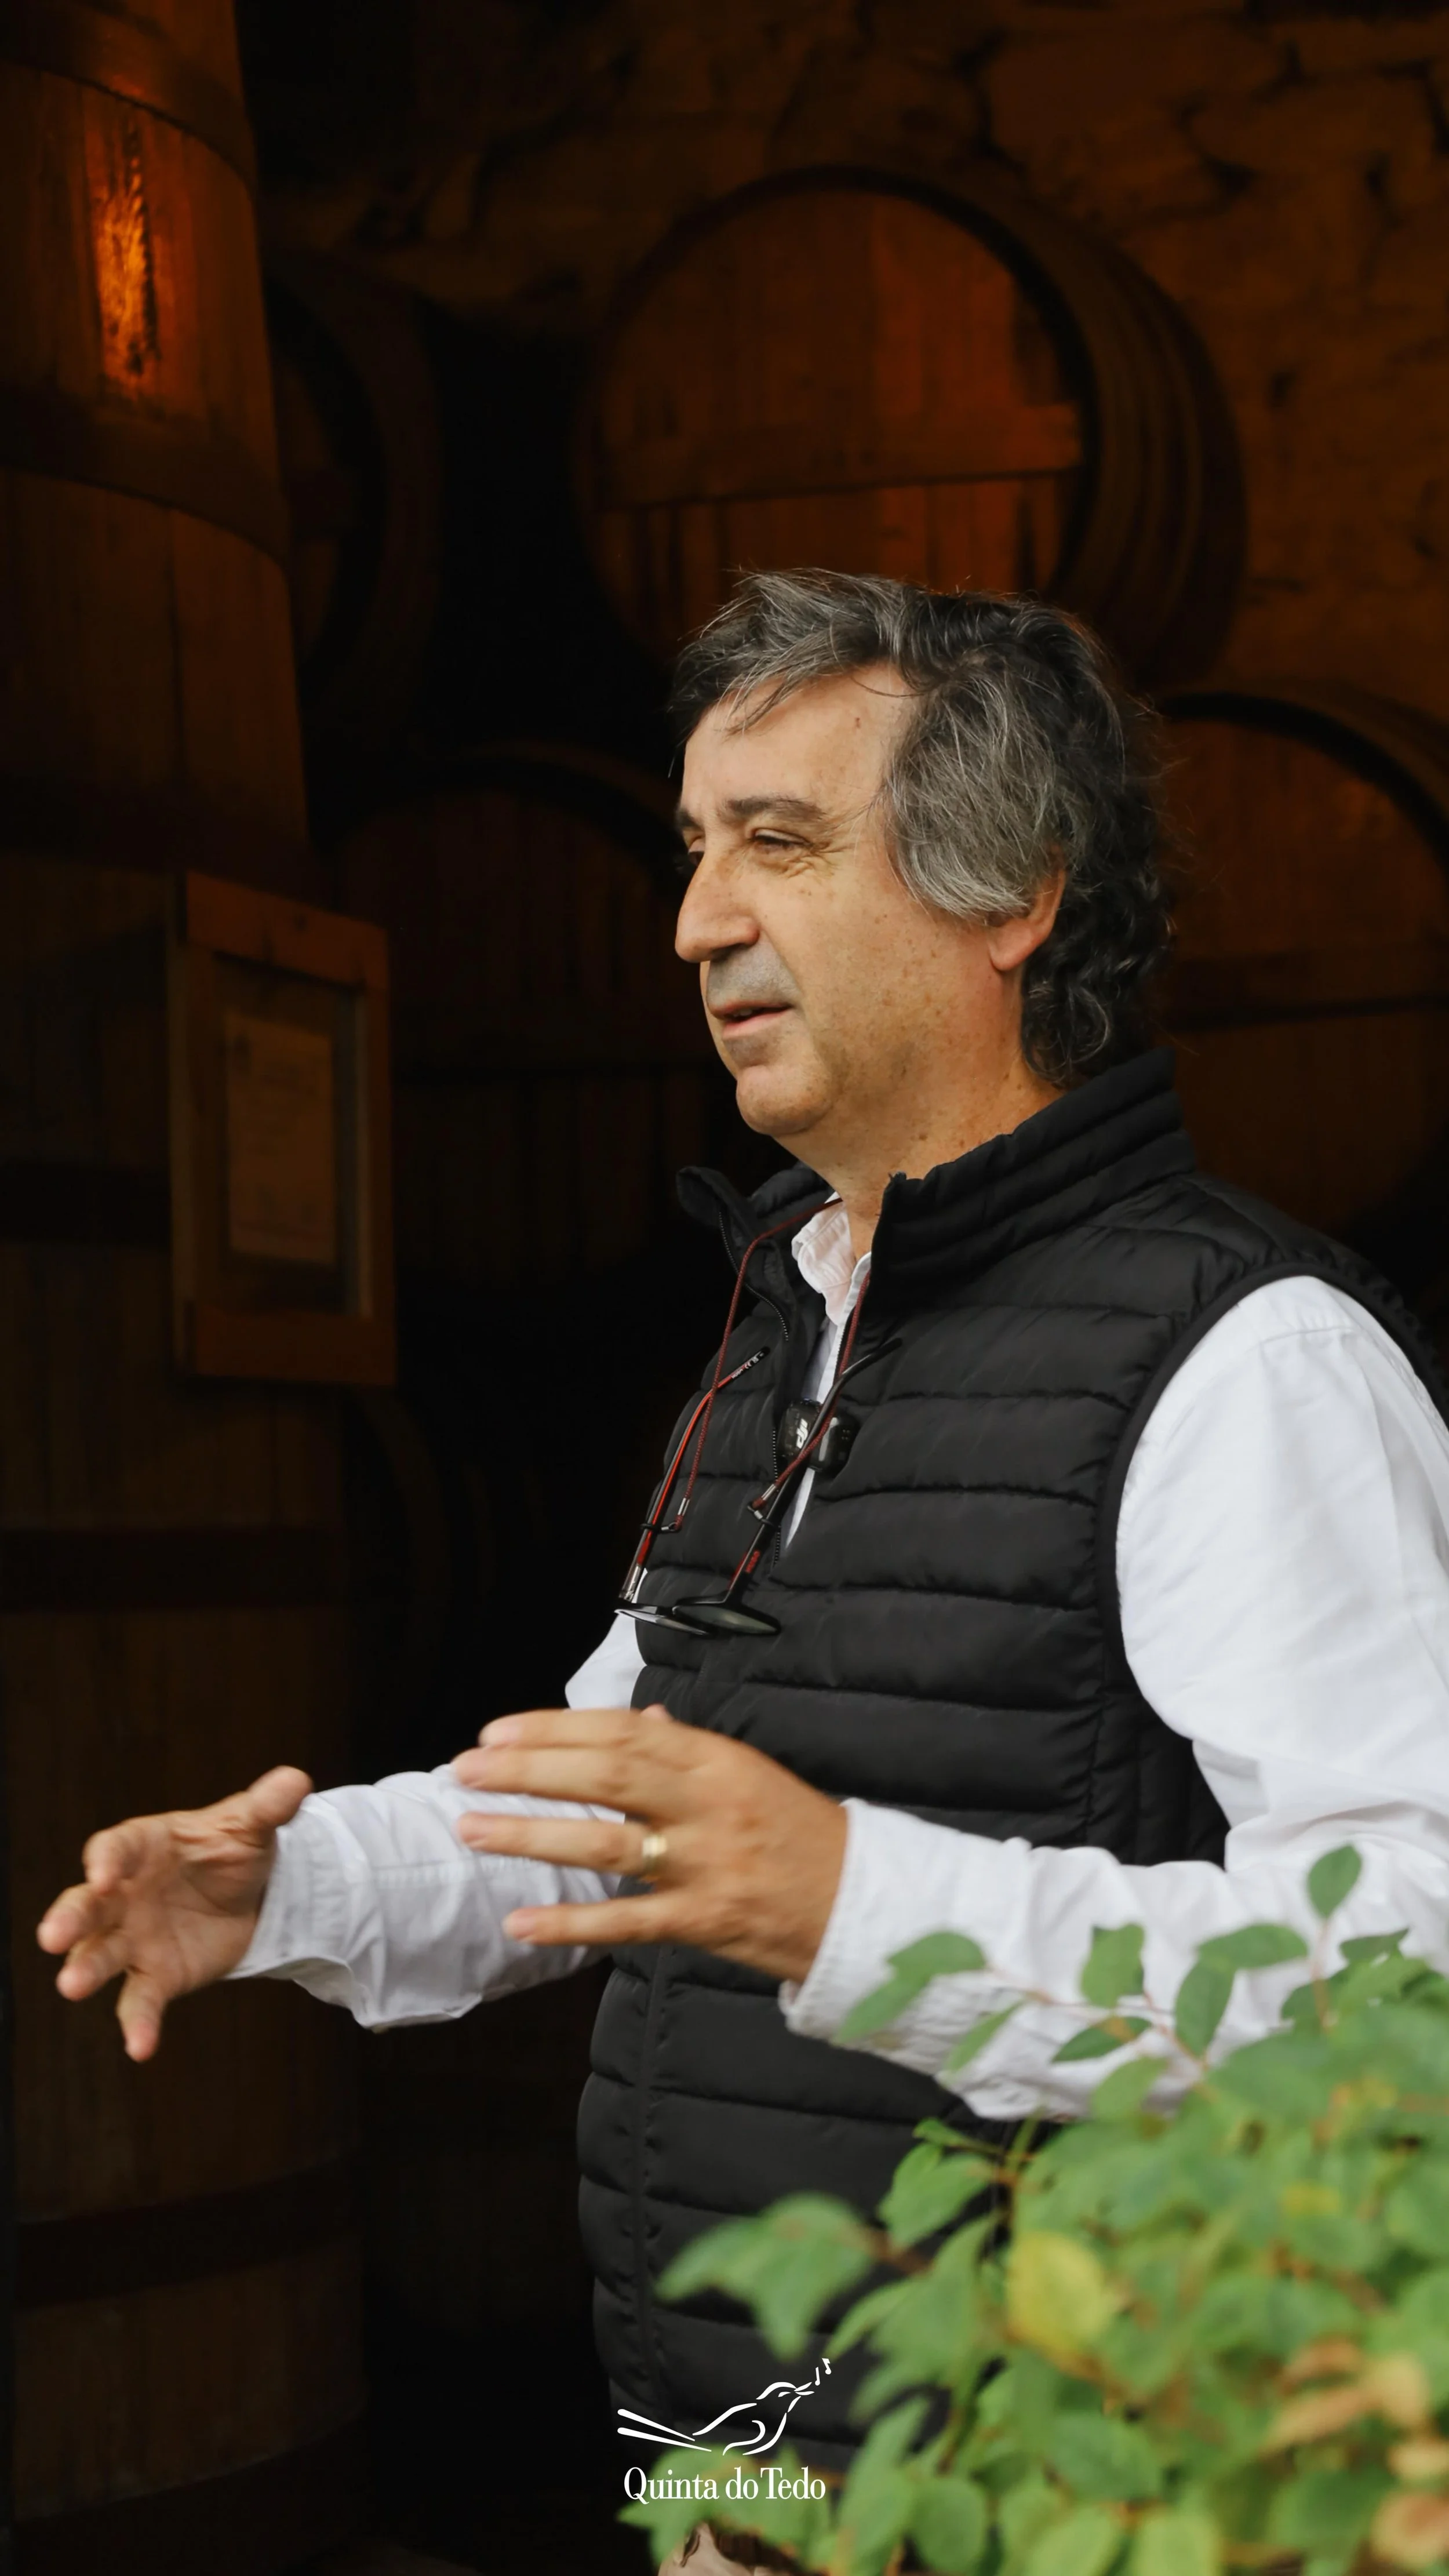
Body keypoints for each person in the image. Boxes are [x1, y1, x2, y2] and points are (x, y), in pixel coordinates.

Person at [38, 574, 1449, 2567]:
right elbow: (618, 1808)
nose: (695, 918)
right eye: (695, 846)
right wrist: (296, 1883)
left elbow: (1403, 1987)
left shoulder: (1253, 1364)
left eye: (777, 841)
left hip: (1061, 2505)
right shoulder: (790, 1318)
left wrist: (852, 1898)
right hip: (745, 2487)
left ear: (1011, 895)